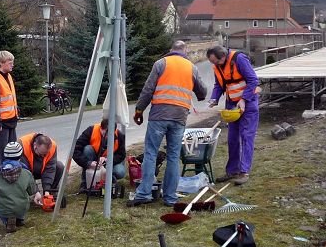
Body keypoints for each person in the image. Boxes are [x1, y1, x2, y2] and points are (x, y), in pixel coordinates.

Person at [127, 41, 207, 207]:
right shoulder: (192, 67)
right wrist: (197, 95)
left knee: (150, 153)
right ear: (185, 52)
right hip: (179, 117)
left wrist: (139, 110)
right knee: (173, 156)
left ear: (171, 51)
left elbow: (148, 90)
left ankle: (143, 194)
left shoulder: (161, 63)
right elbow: (203, 91)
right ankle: (170, 197)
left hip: (159, 115)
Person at [206, 45, 260, 185]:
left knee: (246, 137)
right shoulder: (217, 66)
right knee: (232, 139)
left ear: (223, 57)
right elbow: (219, 85)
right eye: (212, 63)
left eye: (216, 62)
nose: (214, 65)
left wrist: (244, 100)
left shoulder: (239, 59)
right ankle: (232, 171)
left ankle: (244, 172)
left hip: (248, 103)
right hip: (231, 105)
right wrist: (214, 98)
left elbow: (253, 80)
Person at [0, 141, 39, 233]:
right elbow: (32, 191)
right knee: (21, 204)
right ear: (20, 156)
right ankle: (19, 219)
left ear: (5, 156)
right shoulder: (26, 173)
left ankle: (7, 220)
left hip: (4, 209)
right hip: (22, 207)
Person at [73, 117, 126, 189]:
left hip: (110, 162)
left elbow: (121, 155)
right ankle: (86, 181)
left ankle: (109, 178)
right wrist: (88, 163)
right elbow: (75, 150)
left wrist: (107, 159)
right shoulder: (91, 131)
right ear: (101, 128)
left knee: (120, 172)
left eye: (110, 134)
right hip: (93, 159)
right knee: (87, 149)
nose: (107, 137)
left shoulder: (119, 136)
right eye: (105, 133)